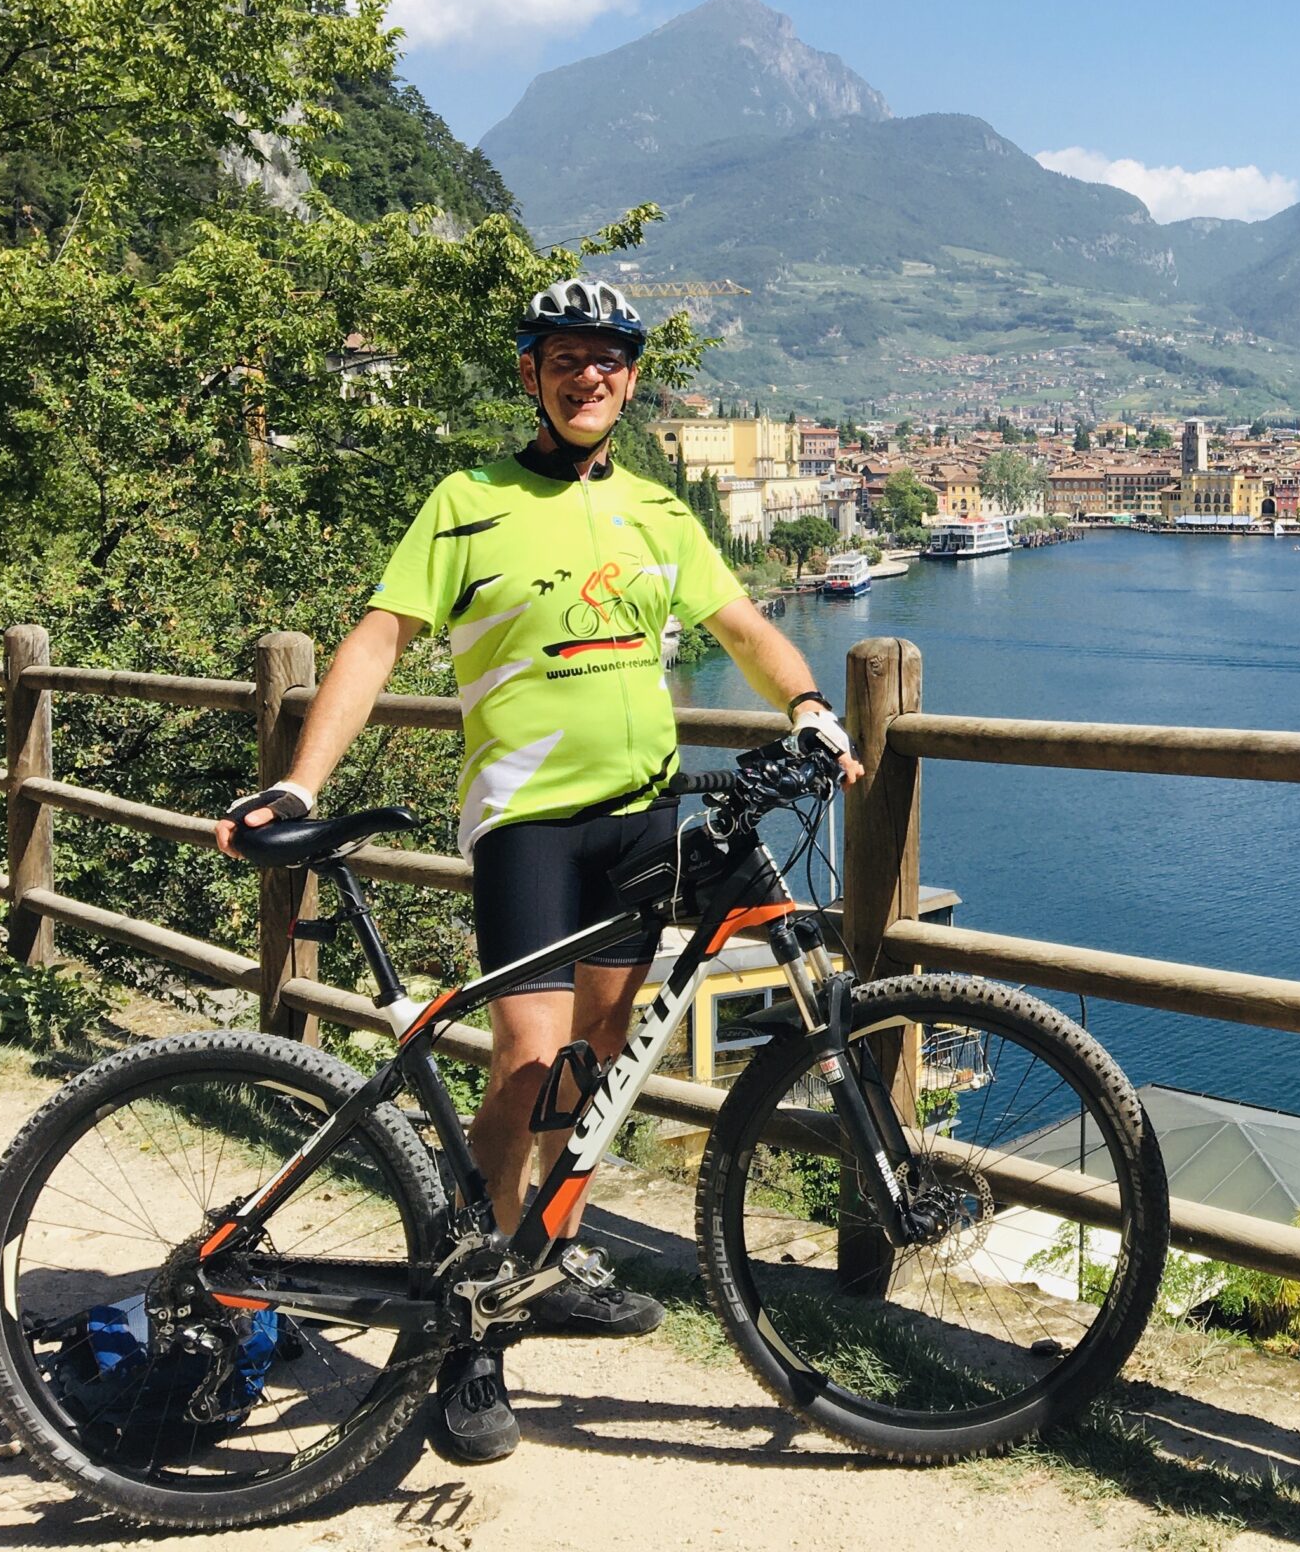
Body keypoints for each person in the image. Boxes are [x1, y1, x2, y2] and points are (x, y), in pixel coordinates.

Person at [214, 277, 863, 1464]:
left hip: (638, 821)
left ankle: (543, 1258)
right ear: (532, 374)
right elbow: (378, 641)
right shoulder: (467, 502)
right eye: (565, 358)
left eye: (609, 359)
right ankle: (467, 1334)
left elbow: (741, 629)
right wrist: (302, 781)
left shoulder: (661, 513)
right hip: (525, 827)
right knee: (522, 1062)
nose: (588, 376)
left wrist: (811, 706)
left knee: (597, 1063)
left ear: (629, 380)